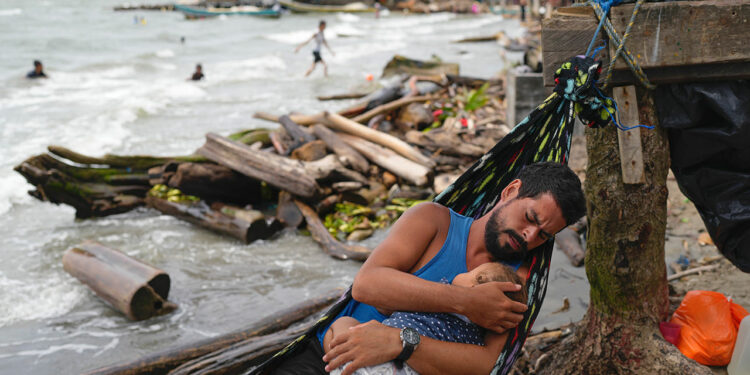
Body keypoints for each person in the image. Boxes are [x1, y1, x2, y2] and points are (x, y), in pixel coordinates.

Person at [269, 161, 585, 375]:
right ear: (511, 191)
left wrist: (399, 343)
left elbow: (485, 364)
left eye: (543, 235)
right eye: (530, 218)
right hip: (328, 356)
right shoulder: (434, 222)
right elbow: (367, 285)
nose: (530, 236)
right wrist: (466, 302)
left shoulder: (517, 280)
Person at [324, 262, 528, 374]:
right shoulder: (473, 338)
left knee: (342, 323)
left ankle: (339, 358)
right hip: (404, 369)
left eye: (471, 272)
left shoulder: (437, 294)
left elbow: (384, 306)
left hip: (364, 358)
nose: (464, 272)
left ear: (476, 283)